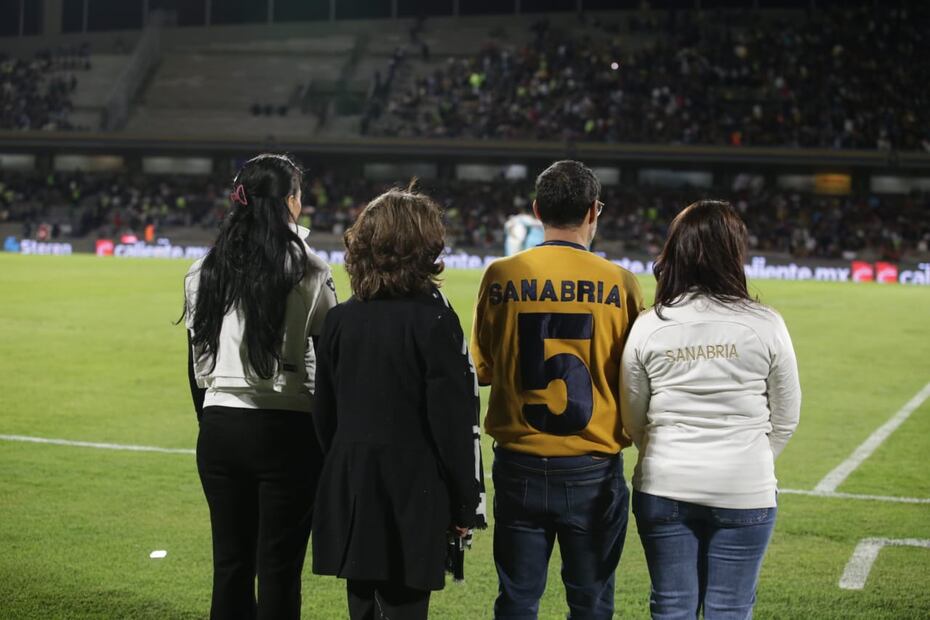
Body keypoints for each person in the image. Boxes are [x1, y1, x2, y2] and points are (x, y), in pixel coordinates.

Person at [471, 160, 643, 619]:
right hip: (592, 468)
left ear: (536, 210)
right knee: (590, 604)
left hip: (519, 464)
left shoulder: (500, 275)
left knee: (517, 602)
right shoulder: (620, 283)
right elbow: (634, 376)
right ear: (593, 212)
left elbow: (482, 368)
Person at [620, 200, 802, 619]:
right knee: (730, 610)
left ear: (675, 252)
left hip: (664, 483)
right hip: (745, 487)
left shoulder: (650, 325)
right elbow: (786, 418)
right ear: (735, 254)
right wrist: (747, 458)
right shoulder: (766, 323)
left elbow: (633, 418)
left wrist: (673, 453)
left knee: (671, 607)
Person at [311, 186, 484, 620]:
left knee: (363, 607)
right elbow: (453, 424)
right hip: (413, 493)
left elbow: (324, 417)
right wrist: (465, 504)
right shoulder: (435, 320)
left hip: (352, 487)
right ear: (424, 247)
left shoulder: (340, 320)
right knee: (406, 608)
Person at [183, 153, 337, 620]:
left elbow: (194, 364)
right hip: (287, 429)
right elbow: (330, 357)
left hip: (220, 426)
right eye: (298, 194)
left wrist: (210, 418)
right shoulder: (310, 269)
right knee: (279, 570)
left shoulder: (203, 269)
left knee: (230, 566)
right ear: (289, 201)